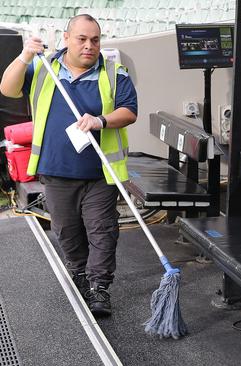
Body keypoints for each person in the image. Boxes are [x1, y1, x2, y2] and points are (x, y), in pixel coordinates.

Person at [0, 14, 138, 316]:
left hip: (100, 173)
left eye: (95, 40)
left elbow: (129, 111)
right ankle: (79, 276)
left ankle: (99, 288)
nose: (89, 46)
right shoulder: (43, 67)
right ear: (67, 39)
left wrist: (101, 120)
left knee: (102, 230)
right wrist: (24, 55)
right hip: (57, 170)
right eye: (82, 39)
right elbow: (8, 89)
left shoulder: (116, 73)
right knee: (66, 231)